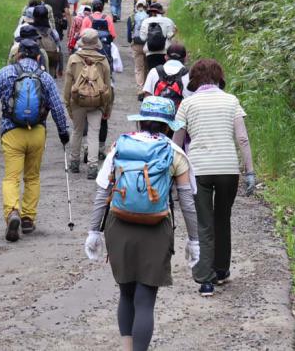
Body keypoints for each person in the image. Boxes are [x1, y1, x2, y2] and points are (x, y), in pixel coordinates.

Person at [84, 97, 199, 351]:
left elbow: (103, 193)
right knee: (145, 300)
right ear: (168, 126)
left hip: (119, 225)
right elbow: (187, 203)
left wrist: (94, 231)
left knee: (126, 293)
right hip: (156, 229)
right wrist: (194, 240)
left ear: (140, 120)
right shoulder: (174, 153)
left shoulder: (120, 146)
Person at [172, 59, 257, 296]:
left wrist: (170, 174)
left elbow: (177, 143)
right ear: (219, 78)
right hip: (228, 170)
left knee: (203, 223)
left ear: (195, 80)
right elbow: (242, 139)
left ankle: (205, 280)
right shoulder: (232, 101)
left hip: (198, 170)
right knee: (223, 218)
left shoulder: (187, 104)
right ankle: (221, 270)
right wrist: (249, 172)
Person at [0, 39, 69, 242]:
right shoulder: (45, 77)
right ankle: (28, 218)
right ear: (39, 57)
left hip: (12, 132)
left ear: (18, 55)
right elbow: (56, 107)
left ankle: (12, 212)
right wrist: (63, 131)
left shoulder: (6, 73)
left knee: (12, 177)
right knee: (32, 177)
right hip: (37, 132)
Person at [64, 29, 113, 179]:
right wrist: (107, 107)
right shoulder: (103, 60)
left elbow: (68, 84)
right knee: (93, 133)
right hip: (97, 102)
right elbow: (107, 86)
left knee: (77, 130)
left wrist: (68, 104)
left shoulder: (73, 59)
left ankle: (74, 162)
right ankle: (92, 166)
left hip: (77, 100)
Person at [142, 43, 192, 114]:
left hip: (157, 119)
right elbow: (189, 101)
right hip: (178, 120)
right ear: (185, 58)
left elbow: (147, 98)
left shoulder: (154, 71)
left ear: (166, 57)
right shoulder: (189, 75)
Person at [139, 2, 176, 74]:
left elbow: (143, 38)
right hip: (164, 52)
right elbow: (170, 35)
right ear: (161, 11)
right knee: (164, 74)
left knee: (153, 73)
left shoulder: (145, 21)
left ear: (150, 12)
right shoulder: (168, 21)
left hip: (150, 52)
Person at [127, 0, 149, 101]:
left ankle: (140, 89)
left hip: (136, 43)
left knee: (139, 68)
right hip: (147, 44)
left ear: (136, 6)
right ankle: (147, 89)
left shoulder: (132, 17)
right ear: (145, 6)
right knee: (147, 67)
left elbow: (128, 34)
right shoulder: (149, 17)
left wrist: (130, 40)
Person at [32, 4, 62, 77]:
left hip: (34, 63)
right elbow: (59, 48)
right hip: (51, 61)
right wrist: (60, 67)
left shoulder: (30, 31)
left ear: (34, 17)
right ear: (47, 17)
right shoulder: (52, 32)